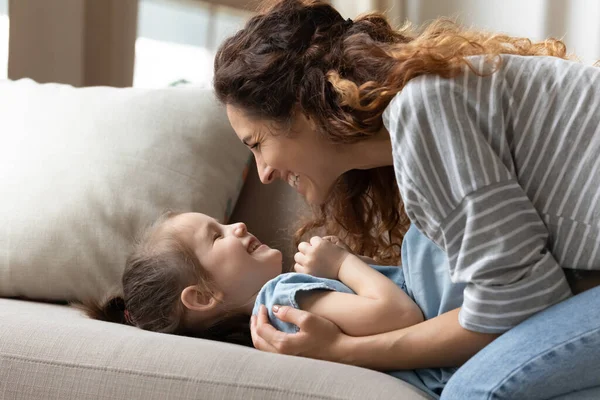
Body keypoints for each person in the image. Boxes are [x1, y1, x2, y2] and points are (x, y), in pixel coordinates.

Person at [212, 0, 600, 398]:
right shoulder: (418, 122)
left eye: (257, 144)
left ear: (303, 110)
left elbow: (516, 306)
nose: (263, 173)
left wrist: (344, 351)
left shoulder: (423, 111)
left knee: (474, 391)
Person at [78, 211, 462, 396]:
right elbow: (401, 314)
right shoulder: (279, 298)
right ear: (202, 296)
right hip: (450, 322)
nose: (238, 226)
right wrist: (343, 263)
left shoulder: (271, 326)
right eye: (217, 236)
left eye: (223, 223)